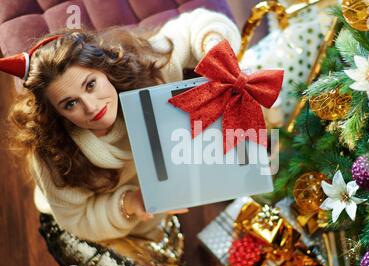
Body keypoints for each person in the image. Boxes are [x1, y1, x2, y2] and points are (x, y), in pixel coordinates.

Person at [6, 8, 241, 243]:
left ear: (105, 70)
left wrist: (213, 50)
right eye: (70, 104)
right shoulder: (51, 154)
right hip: (99, 226)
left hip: (165, 187)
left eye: (90, 85)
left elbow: (196, 24)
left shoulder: (146, 69)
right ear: (56, 113)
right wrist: (131, 202)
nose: (90, 107)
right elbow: (77, 219)